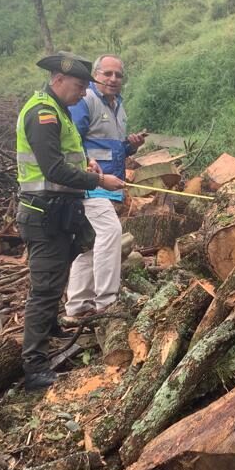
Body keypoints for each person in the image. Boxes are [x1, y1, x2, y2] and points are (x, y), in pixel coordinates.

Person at [16, 51, 125, 391]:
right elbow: (53, 169)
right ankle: (34, 365)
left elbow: (70, 156)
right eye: (79, 87)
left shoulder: (60, 110)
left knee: (60, 272)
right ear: (58, 80)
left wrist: (88, 166)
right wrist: (98, 182)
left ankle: (50, 330)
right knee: (45, 289)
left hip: (60, 209)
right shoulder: (42, 114)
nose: (82, 94)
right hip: (42, 211)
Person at [62, 54, 146, 322]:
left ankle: (76, 306)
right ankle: (106, 303)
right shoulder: (85, 101)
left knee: (90, 242)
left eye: (118, 75)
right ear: (95, 75)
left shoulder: (119, 106)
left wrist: (130, 145)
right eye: (107, 74)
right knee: (110, 232)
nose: (113, 79)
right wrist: (87, 167)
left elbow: (111, 145)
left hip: (108, 184)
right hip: (88, 184)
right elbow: (71, 141)